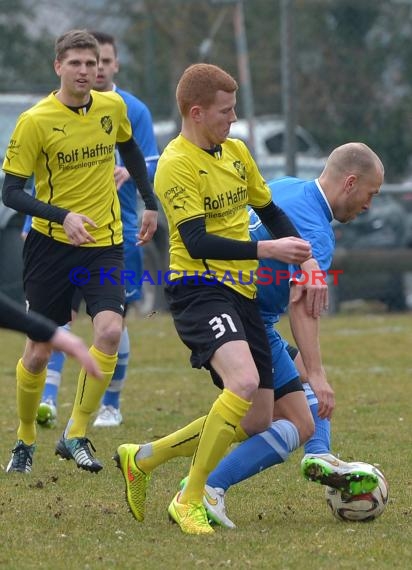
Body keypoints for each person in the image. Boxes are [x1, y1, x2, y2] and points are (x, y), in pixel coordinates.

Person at [114, 63, 327, 535]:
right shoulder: (175, 164)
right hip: (199, 290)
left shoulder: (235, 152)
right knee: (244, 381)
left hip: (241, 294)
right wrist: (268, 250)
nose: (233, 120)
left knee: (268, 419)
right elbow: (195, 241)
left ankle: (143, 458)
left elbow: (267, 208)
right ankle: (190, 499)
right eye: (226, 112)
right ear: (196, 112)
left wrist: (307, 260)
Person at [186, 142, 385, 528]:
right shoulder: (317, 234)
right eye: (370, 194)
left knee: (274, 409)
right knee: (289, 420)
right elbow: (302, 305)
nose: (369, 205)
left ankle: (319, 454)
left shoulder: (287, 187)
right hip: (247, 317)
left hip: (219, 301)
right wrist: (321, 374)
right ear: (350, 182)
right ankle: (205, 487)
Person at [1, 29, 158, 475]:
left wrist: (149, 203)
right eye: (76, 64)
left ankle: (76, 433)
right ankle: (26, 438)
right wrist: (62, 215)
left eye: (93, 64)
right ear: (58, 67)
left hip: (105, 242)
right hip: (52, 247)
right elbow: (10, 192)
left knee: (108, 331)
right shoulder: (35, 121)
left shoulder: (113, 107)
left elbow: (128, 144)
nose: (87, 71)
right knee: (37, 350)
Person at [34, 30, 160, 429]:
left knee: (110, 323)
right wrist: (30, 224)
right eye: (87, 62)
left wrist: (137, 181)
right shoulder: (53, 113)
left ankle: (111, 403)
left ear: (114, 64)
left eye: (102, 62)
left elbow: (149, 159)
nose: (95, 69)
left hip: (117, 233)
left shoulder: (129, 109)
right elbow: (40, 175)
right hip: (62, 234)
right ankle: (50, 400)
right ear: (64, 66)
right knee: (59, 317)